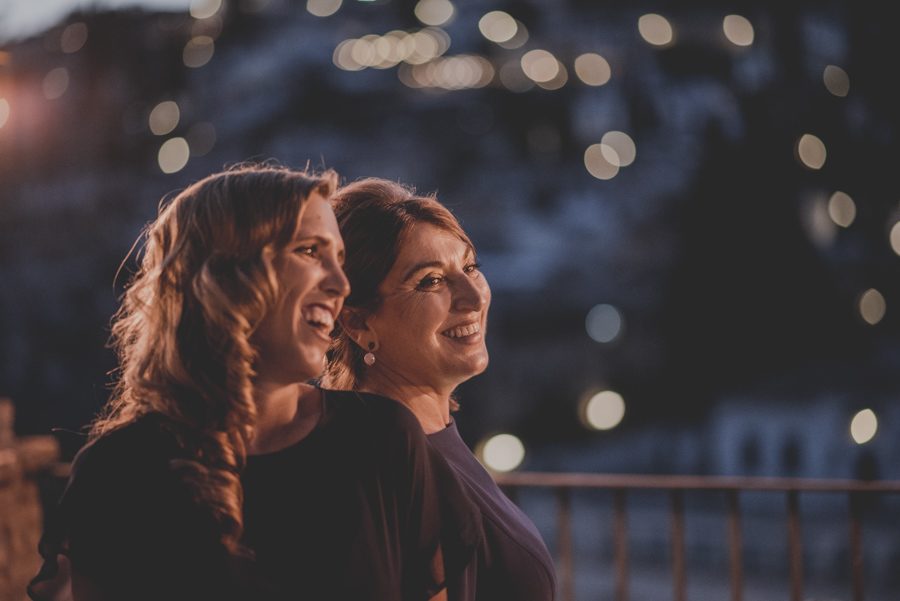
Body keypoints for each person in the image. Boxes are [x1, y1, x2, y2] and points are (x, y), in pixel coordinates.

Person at [29, 164, 475, 601]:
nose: (341, 284)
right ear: (223, 276)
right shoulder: (118, 472)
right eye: (309, 252)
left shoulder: (383, 438)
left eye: (339, 259)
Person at [323, 178, 557, 601]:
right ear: (357, 321)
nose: (473, 298)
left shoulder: (426, 437)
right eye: (430, 281)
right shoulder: (383, 460)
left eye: (470, 267)